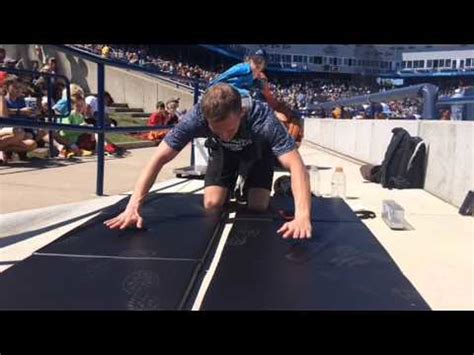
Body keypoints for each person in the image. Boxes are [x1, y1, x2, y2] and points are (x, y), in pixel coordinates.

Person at [104, 83, 312, 240]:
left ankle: (274, 186)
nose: (226, 135)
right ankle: (231, 185)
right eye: (217, 130)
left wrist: (302, 215)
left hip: (257, 152)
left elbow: (296, 165)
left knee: (257, 206)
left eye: (230, 129)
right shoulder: (196, 118)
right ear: (206, 120)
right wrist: (133, 206)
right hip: (223, 152)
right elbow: (159, 158)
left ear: (241, 113)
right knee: (212, 203)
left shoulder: (262, 119)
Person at [209, 49, 303, 145]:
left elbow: (270, 100)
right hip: (226, 104)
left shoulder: (258, 80)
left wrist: (290, 115)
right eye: (255, 60)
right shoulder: (244, 69)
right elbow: (222, 79)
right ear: (249, 60)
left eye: (261, 61)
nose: (258, 63)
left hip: (250, 142)